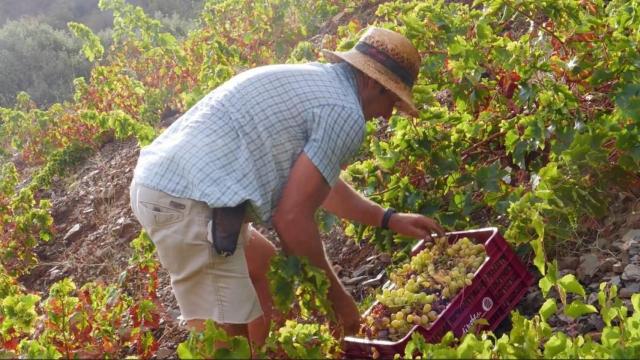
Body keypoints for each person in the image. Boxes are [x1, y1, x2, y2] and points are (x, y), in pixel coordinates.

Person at [129, 27, 445, 347]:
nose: (389, 114)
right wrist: (340, 302)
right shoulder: (344, 112)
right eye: (392, 98)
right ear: (372, 83)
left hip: (167, 184)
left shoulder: (319, 83)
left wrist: (387, 218)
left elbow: (321, 187)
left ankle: (263, 352)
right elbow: (291, 218)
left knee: (263, 264)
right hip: (188, 203)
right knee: (227, 345)